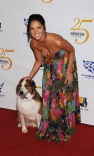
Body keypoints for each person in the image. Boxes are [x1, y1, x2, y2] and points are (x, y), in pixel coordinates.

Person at [25, 14, 81, 142]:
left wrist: (69, 72)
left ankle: (65, 127)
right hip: (50, 69)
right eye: (32, 29)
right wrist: (30, 76)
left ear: (44, 27)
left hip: (66, 66)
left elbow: (72, 51)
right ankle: (51, 127)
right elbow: (39, 60)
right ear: (29, 30)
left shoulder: (56, 40)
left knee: (62, 98)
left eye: (38, 27)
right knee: (49, 97)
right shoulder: (33, 43)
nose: (35, 32)